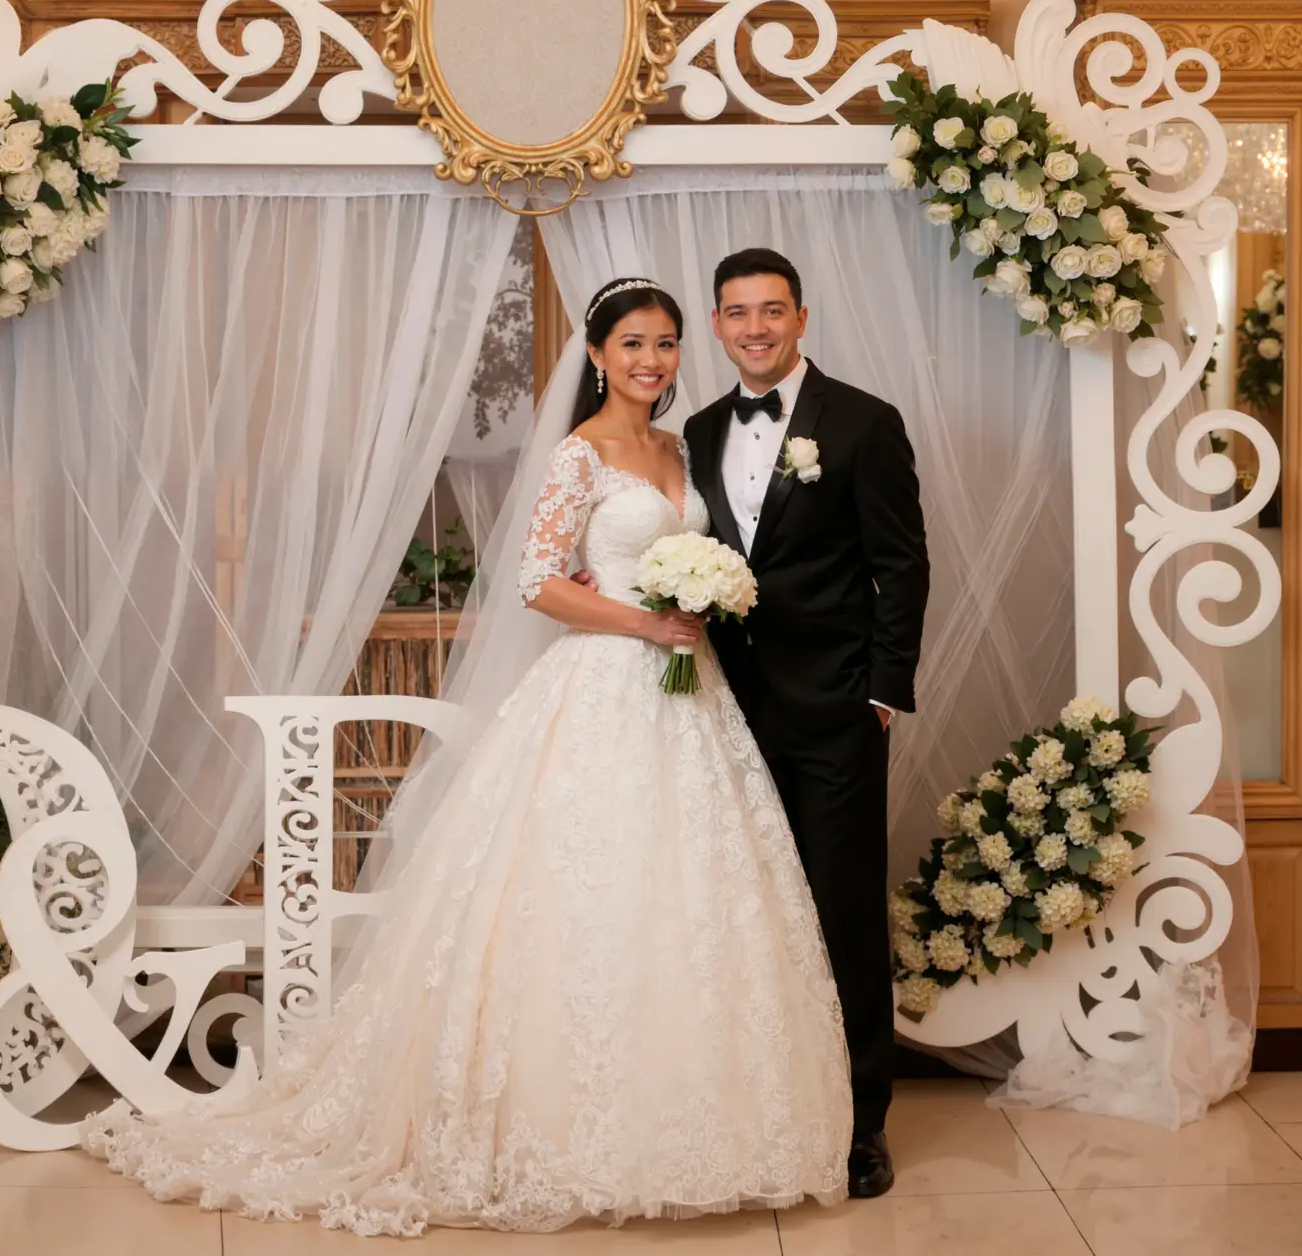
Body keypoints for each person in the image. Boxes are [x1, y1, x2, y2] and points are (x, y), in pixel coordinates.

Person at [83, 278, 852, 1236]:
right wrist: (646, 623)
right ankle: (564, 1131)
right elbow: (536, 582)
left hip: (690, 701)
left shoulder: (675, 447)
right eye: (632, 345)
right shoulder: (580, 454)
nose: (650, 361)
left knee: (692, 896)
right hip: (604, 687)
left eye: (665, 344)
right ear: (599, 355)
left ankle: (707, 1127)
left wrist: (692, 611)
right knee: (578, 893)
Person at [682, 247, 931, 1200]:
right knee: (743, 916)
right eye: (738, 313)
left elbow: (901, 565)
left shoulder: (865, 422)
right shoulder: (699, 430)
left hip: (834, 711)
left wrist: (882, 693)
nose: (755, 327)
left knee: (841, 915)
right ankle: (762, 1107)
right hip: (718, 714)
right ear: (717, 324)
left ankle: (863, 1124)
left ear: (802, 315)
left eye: (772, 311)